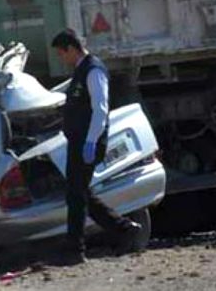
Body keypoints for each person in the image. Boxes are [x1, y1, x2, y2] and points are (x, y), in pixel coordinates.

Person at [51, 30, 141, 265]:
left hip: (87, 142)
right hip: (79, 142)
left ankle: (75, 249)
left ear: (71, 48)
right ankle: (124, 229)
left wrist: (91, 141)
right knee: (79, 193)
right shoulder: (81, 71)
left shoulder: (93, 70)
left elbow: (100, 109)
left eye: (62, 54)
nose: (63, 59)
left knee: (76, 195)